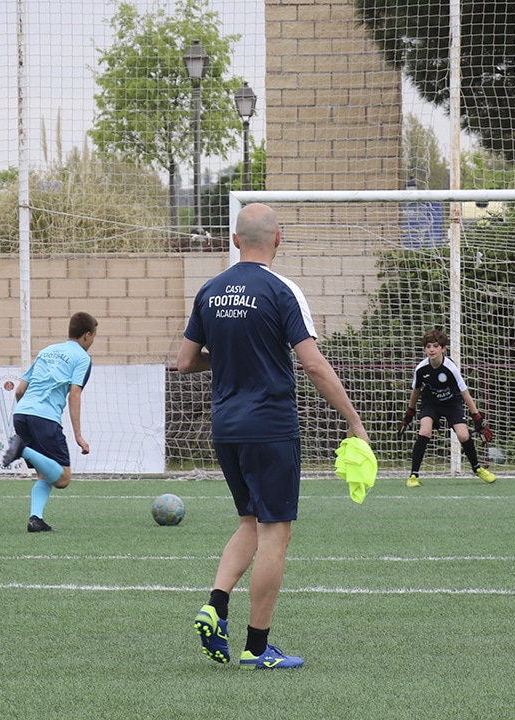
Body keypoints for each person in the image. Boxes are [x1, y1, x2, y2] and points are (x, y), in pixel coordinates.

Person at [176, 203, 369, 670]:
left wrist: (228, 360)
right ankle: (258, 648)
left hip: (226, 428)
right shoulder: (282, 290)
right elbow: (314, 364)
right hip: (270, 427)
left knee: (249, 522)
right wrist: (354, 421)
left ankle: (216, 604)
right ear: (278, 239)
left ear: (236, 239)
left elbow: (185, 362)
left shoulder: (209, 289)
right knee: (275, 534)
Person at [1, 311, 97, 532]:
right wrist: (79, 435)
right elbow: (74, 394)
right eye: (93, 338)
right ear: (87, 335)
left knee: (45, 473)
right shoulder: (82, 358)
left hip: (22, 413)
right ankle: (22, 449)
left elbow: (20, 390)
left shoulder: (47, 351)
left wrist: (26, 411)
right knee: (62, 478)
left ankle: (36, 519)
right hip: (44, 418)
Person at [398, 327, 496, 487]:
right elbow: (415, 391)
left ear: (443, 349)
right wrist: (409, 413)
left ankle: (478, 469)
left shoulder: (451, 368)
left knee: (464, 436)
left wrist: (476, 417)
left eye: (435, 346)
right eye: (428, 346)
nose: (431, 350)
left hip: (452, 403)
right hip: (431, 403)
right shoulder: (421, 369)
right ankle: (413, 476)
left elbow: (465, 393)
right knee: (425, 431)